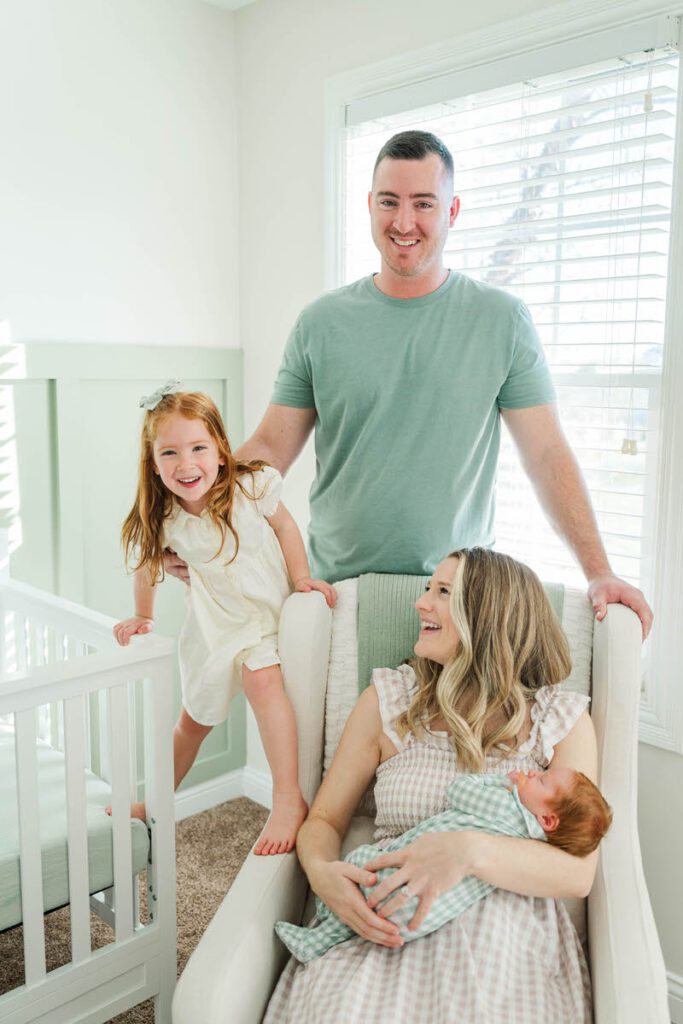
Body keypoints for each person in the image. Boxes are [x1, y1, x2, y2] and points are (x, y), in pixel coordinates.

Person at [170, 129, 649, 637]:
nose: (403, 222)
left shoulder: (502, 320)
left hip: (458, 599)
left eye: (423, 203)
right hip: (336, 596)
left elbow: (546, 454)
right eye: (389, 202)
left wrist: (599, 570)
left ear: (452, 211)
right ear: (369, 205)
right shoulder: (320, 323)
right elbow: (269, 448)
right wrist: (194, 520)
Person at [264, 548, 598, 1022]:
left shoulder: (558, 719)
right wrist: (321, 872)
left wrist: (466, 851)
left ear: (487, 614)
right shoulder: (390, 699)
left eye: (443, 592)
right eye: (428, 589)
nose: (421, 603)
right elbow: (324, 818)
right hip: (385, 920)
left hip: (503, 933)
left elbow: (577, 873)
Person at [113, 383, 336, 854]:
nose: (185, 464)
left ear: (219, 448)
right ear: (153, 463)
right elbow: (147, 565)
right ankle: (154, 800)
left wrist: (301, 578)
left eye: (198, 448)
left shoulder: (249, 487)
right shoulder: (166, 517)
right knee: (191, 722)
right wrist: (142, 614)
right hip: (214, 627)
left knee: (262, 682)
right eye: (170, 453)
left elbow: (285, 526)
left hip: (264, 618)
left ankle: (287, 798)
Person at [275, 764, 612, 963]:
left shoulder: (504, 806)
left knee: (362, 867)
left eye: (542, 779)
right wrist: (320, 871)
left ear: (549, 820)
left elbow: (460, 791)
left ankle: (321, 932)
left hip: (404, 880)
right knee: (365, 907)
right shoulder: (534, 841)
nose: (534, 772)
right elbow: (325, 818)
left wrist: (500, 782)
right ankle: (324, 934)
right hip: (424, 919)